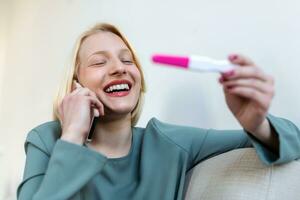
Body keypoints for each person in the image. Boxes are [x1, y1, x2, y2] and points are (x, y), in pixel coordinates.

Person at [17, 23, 300, 200]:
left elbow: (293, 139)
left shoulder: (168, 142)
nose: (119, 67)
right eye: (99, 62)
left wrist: (255, 122)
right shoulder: (48, 140)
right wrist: (73, 135)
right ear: (75, 85)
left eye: (127, 60)